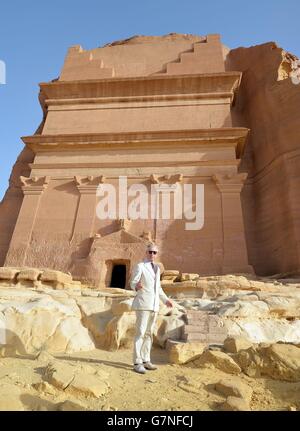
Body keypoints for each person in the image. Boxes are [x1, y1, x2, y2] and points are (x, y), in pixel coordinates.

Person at [130, 243, 173, 374]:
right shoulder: (140, 266)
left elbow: (158, 288)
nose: (152, 254)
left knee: (149, 334)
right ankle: (137, 362)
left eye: (154, 252)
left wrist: (165, 300)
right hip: (143, 304)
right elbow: (133, 282)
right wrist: (135, 286)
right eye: (150, 252)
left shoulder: (157, 269)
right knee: (140, 333)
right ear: (146, 252)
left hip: (154, 305)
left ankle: (146, 359)